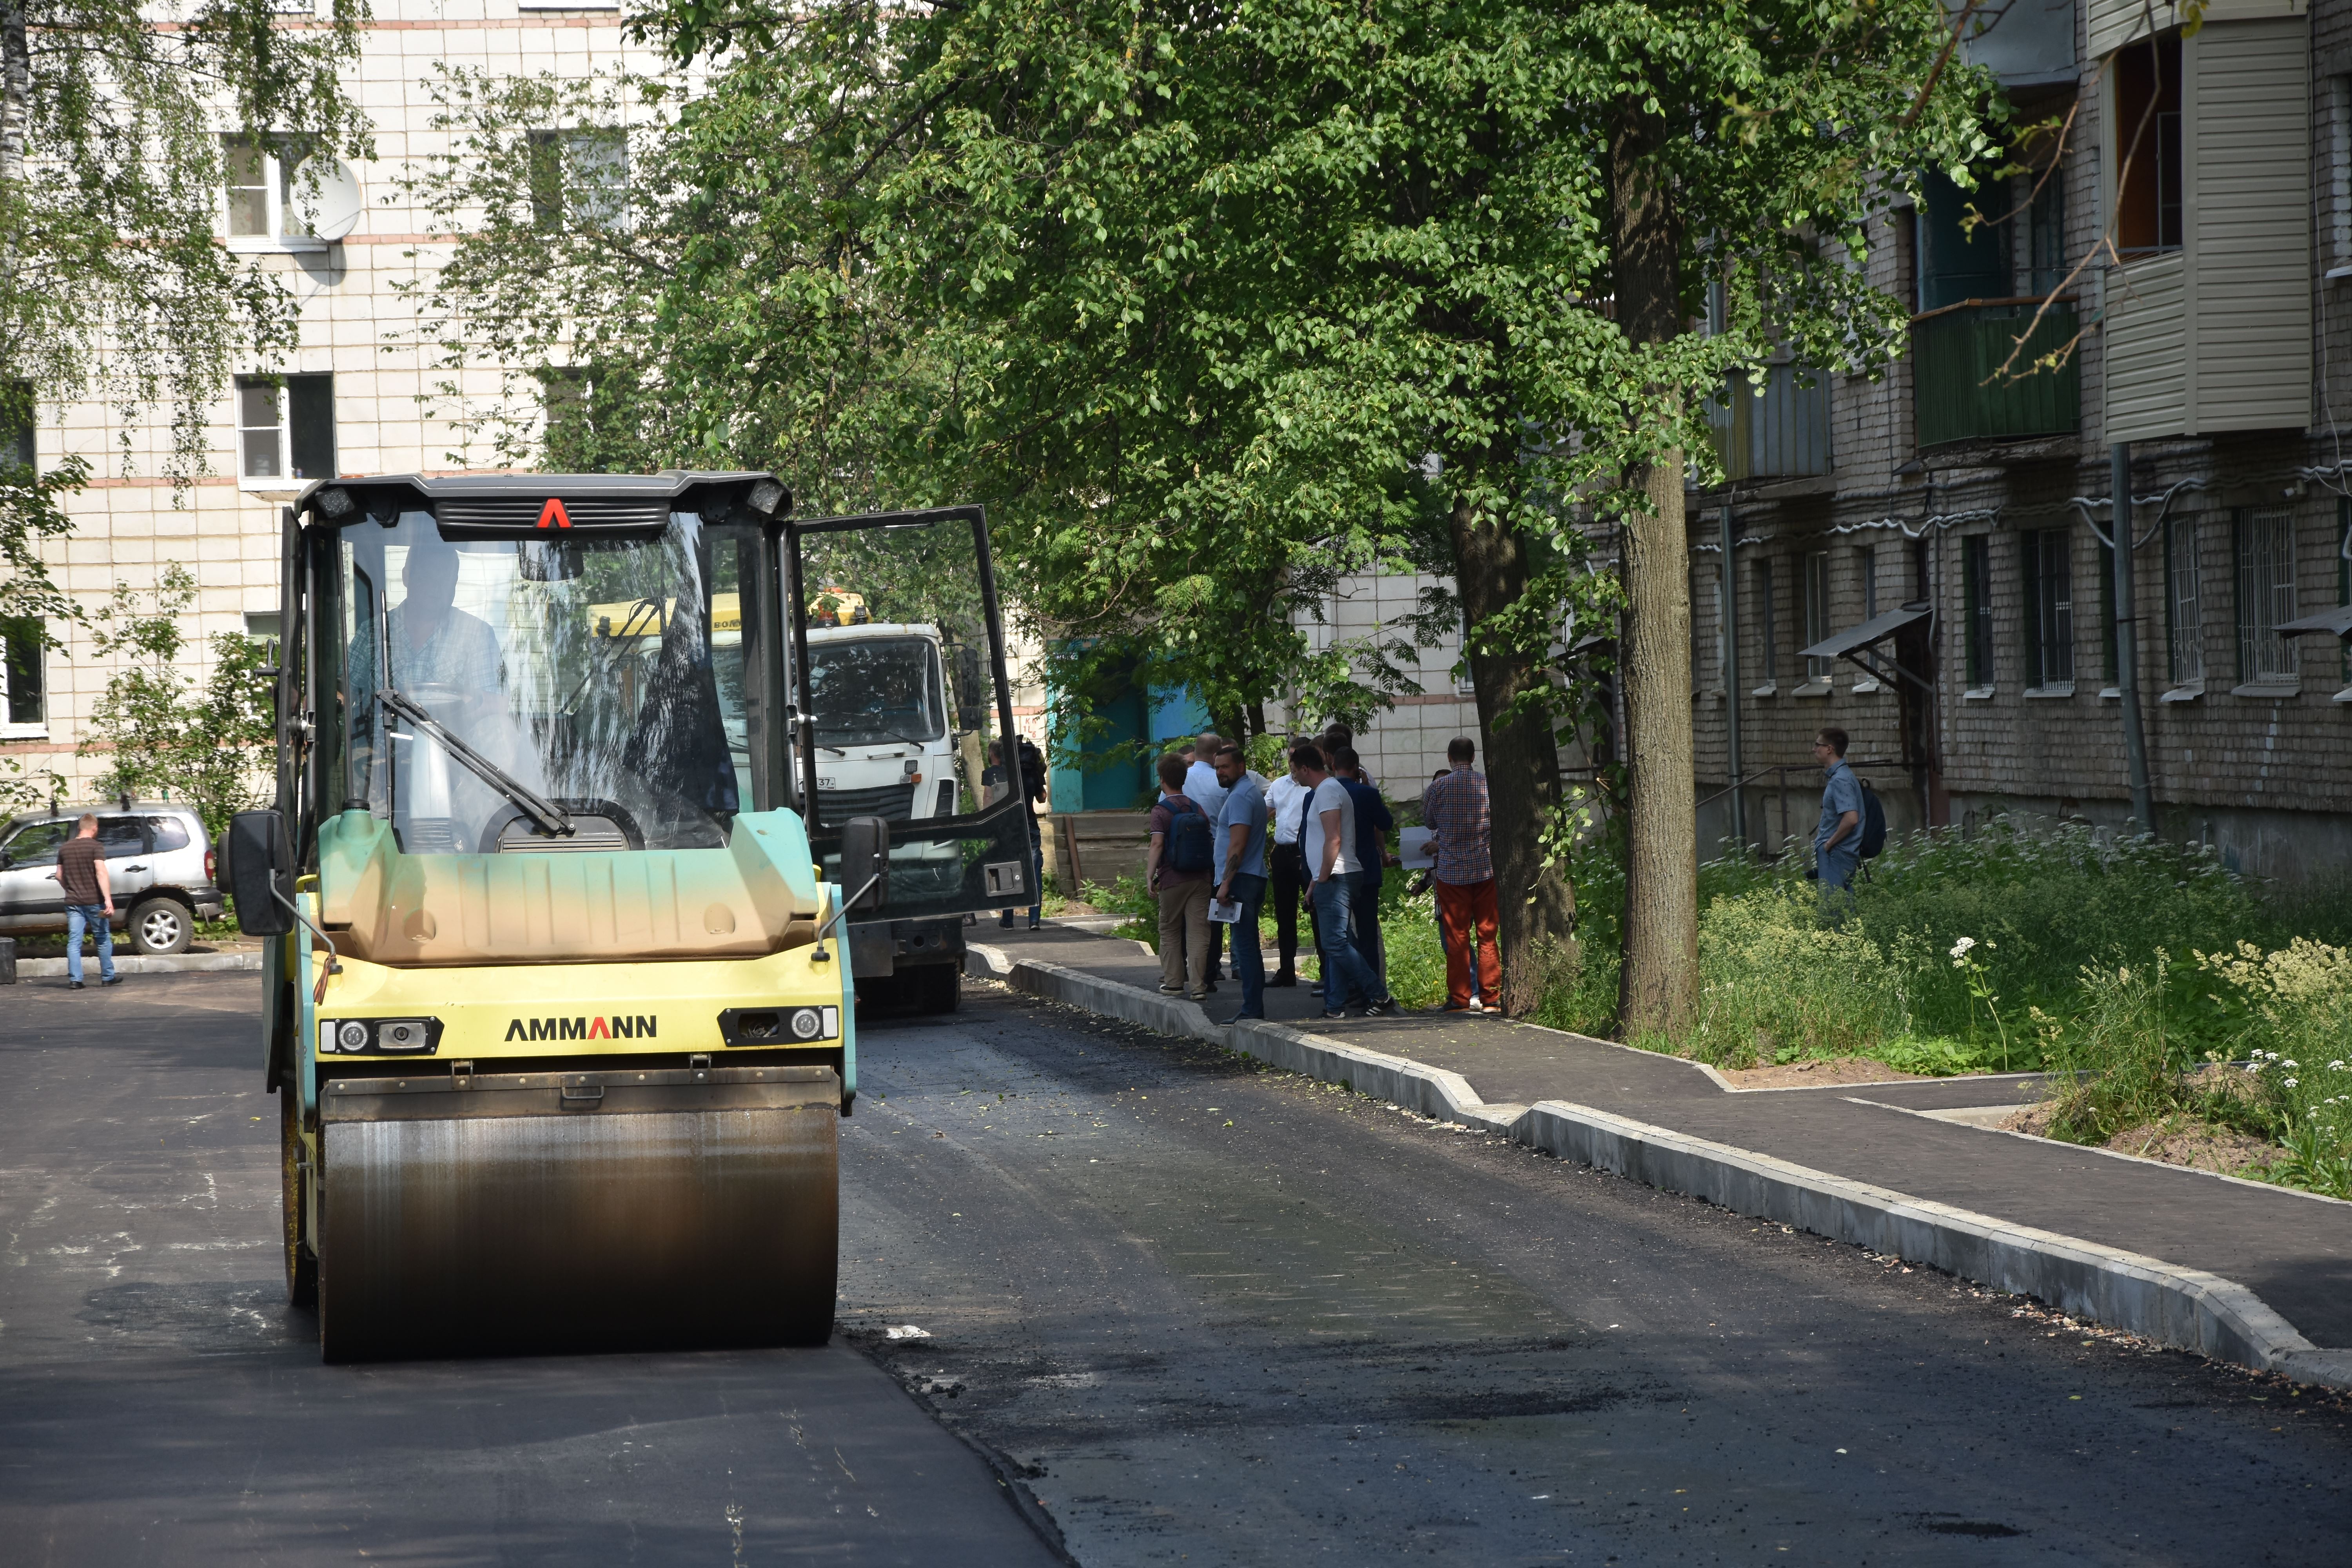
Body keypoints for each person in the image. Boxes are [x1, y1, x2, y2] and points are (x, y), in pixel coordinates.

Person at [1292, 742, 1394, 1019]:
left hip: (1337, 876)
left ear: (1305, 768)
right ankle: (1334, 1007)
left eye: (1294, 771)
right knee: (1338, 942)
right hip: (1333, 875)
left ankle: (1379, 994)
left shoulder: (1326, 793)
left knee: (1335, 943)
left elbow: (1333, 839)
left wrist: (1322, 878)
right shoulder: (1327, 791)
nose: (1294, 778)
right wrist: (1316, 881)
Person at [1422, 737, 1502, 1013]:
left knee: (1457, 938)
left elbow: (1430, 821)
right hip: (1484, 869)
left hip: (1452, 872)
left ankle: (1460, 1000)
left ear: (1449, 757)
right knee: (1488, 935)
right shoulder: (1488, 785)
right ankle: (1491, 998)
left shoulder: (1438, 787)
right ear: (1473, 756)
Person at [1146, 753, 1216, 1000]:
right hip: (1201, 879)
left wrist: (1149, 876)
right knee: (1198, 932)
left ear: (1162, 779)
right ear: (1184, 778)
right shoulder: (1197, 808)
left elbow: (1157, 845)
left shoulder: (1161, 811)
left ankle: (1174, 982)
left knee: (1170, 929)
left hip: (1172, 879)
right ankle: (1199, 987)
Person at [1211, 744, 1270, 1021]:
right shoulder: (1245, 793)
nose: (1220, 772)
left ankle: (1251, 1010)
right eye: (1217, 767)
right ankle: (1252, 1008)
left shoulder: (1241, 797)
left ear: (1241, 767)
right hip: (1249, 877)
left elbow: (1238, 844)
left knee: (1245, 946)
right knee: (1246, 945)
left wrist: (1225, 884)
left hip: (1242, 880)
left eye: (1225, 767)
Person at [1329, 745, 1394, 989]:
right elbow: (1386, 823)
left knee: (1338, 935)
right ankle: (1372, 991)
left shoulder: (1320, 794)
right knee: (1367, 935)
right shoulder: (1367, 794)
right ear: (1357, 770)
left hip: (1334, 871)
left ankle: (1343, 989)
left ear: (1333, 767)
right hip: (1366, 870)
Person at [1263, 742, 1316, 987]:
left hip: (1305, 853)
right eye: (1290, 759)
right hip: (1283, 853)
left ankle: (1327, 970)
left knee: (1315, 910)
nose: (1292, 764)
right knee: (1284, 914)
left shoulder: (1313, 787)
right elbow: (1264, 811)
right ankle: (1286, 970)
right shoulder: (1279, 785)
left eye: (1296, 759)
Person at [53, 814, 120, 990]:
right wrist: (108, 900)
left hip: (73, 902)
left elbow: (59, 875)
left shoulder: (65, 848)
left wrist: (69, 888)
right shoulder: (96, 847)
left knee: (74, 941)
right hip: (94, 902)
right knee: (103, 938)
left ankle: (76, 980)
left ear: (79, 828)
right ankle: (107, 977)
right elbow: (101, 872)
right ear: (94, 828)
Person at [1183, 731, 1230, 978]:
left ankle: (1181, 968)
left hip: (1183, 855)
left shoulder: (1181, 779)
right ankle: (1211, 970)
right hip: (1214, 855)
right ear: (1215, 755)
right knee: (1214, 913)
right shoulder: (1221, 783)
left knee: (1184, 912)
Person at [1812, 727, 1864, 895]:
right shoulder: (1841, 776)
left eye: (1818, 745)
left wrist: (1827, 845)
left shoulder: (1841, 779)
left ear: (1829, 749)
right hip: (1839, 854)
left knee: (1831, 912)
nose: (1814, 749)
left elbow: (1851, 819)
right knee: (1844, 912)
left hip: (1837, 855)